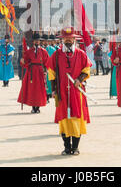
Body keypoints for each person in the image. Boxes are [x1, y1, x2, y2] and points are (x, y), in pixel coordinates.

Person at [47, 27, 92, 155]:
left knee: (77, 118)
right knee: (64, 119)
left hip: (77, 91)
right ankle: (67, 147)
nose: (68, 40)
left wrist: (80, 79)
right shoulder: (56, 55)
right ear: (62, 39)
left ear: (74, 39)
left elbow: (86, 69)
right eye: (65, 38)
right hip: (62, 92)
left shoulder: (81, 54)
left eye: (70, 38)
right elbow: (51, 73)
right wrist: (54, 89)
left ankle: (75, 147)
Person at [18, 33, 49, 113]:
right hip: (31, 72)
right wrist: (22, 62)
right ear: (33, 41)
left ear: (40, 41)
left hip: (40, 72)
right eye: (35, 41)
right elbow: (25, 63)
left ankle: (37, 107)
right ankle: (33, 107)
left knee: (39, 90)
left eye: (38, 41)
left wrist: (45, 71)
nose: (36, 42)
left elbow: (47, 63)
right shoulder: (29, 52)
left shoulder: (44, 51)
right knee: (32, 90)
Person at [45, 35, 57, 103]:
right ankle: (46, 96)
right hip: (43, 69)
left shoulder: (53, 50)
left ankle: (49, 95)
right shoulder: (41, 49)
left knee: (49, 82)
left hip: (50, 68)